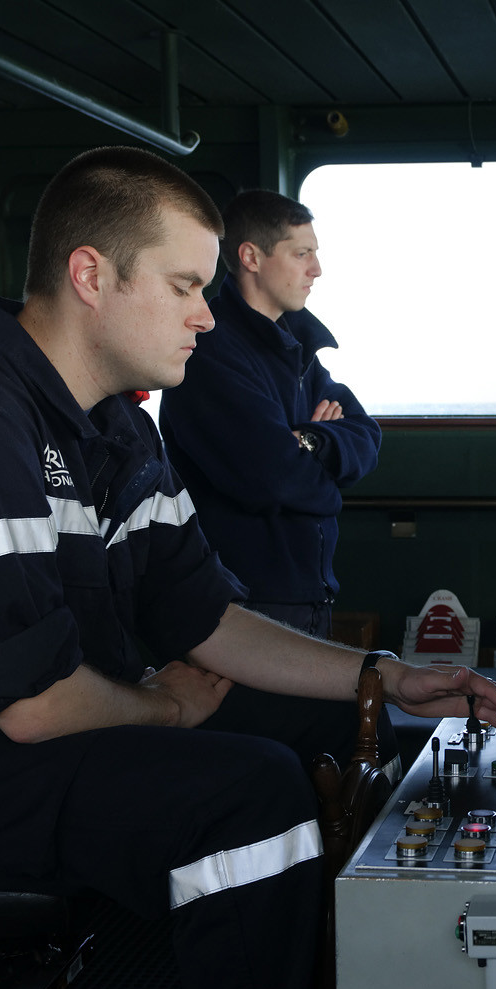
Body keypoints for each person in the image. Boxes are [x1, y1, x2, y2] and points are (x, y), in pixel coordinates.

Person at [0, 145, 496, 989]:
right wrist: (162, 710)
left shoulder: (117, 425)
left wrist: (386, 675)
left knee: (355, 724)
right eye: (184, 285)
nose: (206, 315)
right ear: (92, 275)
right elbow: (34, 706)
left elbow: (207, 619)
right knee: (248, 796)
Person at [159, 190, 390, 769]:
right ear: (252, 257)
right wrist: (317, 474)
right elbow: (274, 478)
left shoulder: (300, 353)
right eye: (301, 252)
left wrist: (310, 440)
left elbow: (366, 438)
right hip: (243, 607)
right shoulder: (211, 353)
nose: (317, 269)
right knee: (294, 756)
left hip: (307, 594)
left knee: (341, 752)